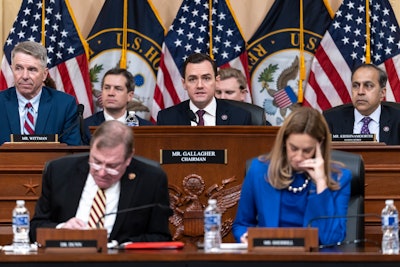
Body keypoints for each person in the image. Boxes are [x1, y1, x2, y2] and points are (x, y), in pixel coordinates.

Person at [29, 120, 172, 244]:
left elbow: (160, 237)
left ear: (129, 158)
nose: (102, 173)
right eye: (96, 162)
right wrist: (61, 229)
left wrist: (121, 246)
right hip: (69, 259)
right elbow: (35, 229)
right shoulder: (59, 172)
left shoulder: (151, 179)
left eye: (112, 166)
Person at [232, 107, 351, 246]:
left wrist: (321, 183)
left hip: (314, 261)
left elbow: (331, 238)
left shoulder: (339, 177)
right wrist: (244, 236)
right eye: (293, 148)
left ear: (320, 145)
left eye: (307, 150)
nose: (299, 157)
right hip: (271, 258)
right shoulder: (259, 170)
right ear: (283, 142)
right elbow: (241, 224)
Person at [0, 41, 81, 145]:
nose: (24, 76)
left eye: (32, 69)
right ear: (12, 70)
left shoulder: (64, 105)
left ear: (44, 74)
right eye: (18, 68)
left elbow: (72, 150)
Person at [156, 53, 252, 126]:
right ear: (184, 84)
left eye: (206, 78)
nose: (200, 85)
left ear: (216, 81)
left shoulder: (240, 116)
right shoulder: (167, 118)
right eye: (192, 79)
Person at [323, 63, 400, 145]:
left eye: (368, 86)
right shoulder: (331, 119)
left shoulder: (398, 119)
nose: (360, 92)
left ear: (382, 93)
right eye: (355, 86)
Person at [84, 68, 153, 144]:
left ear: (129, 96)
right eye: (107, 88)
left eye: (118, 89)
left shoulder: (146, 128)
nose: (111, 93)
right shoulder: (85, 126)